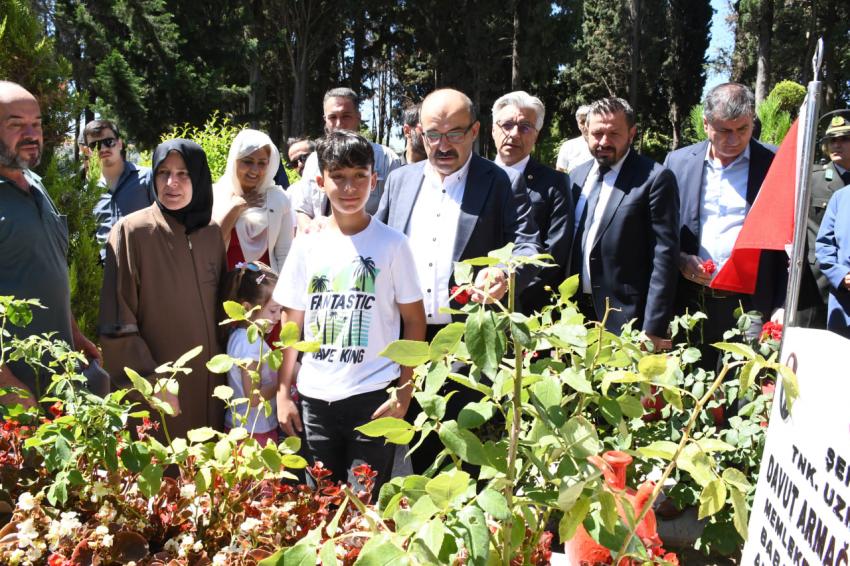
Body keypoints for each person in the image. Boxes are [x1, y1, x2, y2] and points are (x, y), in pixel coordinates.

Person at [375, 88, 540, 474]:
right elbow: (374, 239)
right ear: (418, 133)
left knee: (465, 456)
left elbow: (530, 246)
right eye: (433, 134)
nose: (443, 145)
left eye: (455, 134)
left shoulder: (498, 181)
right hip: (404, 342)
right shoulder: (400, 181)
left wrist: (504, 271)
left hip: (466, 345)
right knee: (412, 450)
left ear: (475, 132)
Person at [275, 131, 426, 492]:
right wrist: (283, 392)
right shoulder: (306, 245)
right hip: (314, 401)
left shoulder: (393, 244)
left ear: (374, 180)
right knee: (318, 504)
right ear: (320, 181)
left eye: (360, 176)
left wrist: (404, 391)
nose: (349, 187)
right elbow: (291, 323)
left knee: (364, 508)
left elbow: (414, 320)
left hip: (373, 400)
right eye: (338, 177)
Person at [99, 138, 226, 438]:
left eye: (183, 174)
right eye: (163, 172)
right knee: (164, 474)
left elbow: (220, 306)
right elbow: (117, 322)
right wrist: (153, 381)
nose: (172, 183)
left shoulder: (211, 233)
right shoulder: (132, 232)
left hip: (214, 391)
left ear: (199, 177)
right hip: (162, 392)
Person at [664, 83, 785, 368]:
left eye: (742, 129)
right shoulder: (678, 163)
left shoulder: (774, 163)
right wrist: (681, 260)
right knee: (691, 389)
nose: (734, 140)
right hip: (691, 301)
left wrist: (781, 303)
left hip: (750, 304)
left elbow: (787, 240)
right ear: (706, 125)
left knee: (745, 398)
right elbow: (663, 232)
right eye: (724, 131)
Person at [0, 81, 100, 406]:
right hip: (15, 392)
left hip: (57, 378)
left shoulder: (35, 183)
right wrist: (7, 386)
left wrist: (74, 333)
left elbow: (46, 269)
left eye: (37, 123)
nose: (31, 133)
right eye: (16, 124)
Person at [568, 97, 679, 349]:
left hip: (626, 321)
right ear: (586, 132)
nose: (604, 141)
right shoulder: (576, 177)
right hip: (575, 319)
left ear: (631, 133)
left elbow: (665, 257)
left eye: (614, 133)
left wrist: (652, 328)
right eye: (597, 133)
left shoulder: (655, 178)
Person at [491, 90, 573, 313]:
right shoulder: (473, 178)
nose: (514, 134)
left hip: (529, 307)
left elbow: (554, 251)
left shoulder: (555, 183)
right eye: (506, 125)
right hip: (476, 301)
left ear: (536, 135)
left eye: (525, 127)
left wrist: (509, 289)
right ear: (492, 130)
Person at [292, 87, 402, 232]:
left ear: (358, 117)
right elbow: (303, 209)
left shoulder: (386, 159)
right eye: (332, 117)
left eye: (346, 116)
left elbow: (398, 211)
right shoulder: (313, 161)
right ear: (325, 120)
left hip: (371, 248)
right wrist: (310, 230)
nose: (339, 124)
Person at [212, 129, 293, 273]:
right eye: (247, 161)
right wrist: (237, 207)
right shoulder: (216, 195)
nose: (255, 170)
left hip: (265, 290)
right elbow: (211, 244)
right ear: (234, 161)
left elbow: (284, 253)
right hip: (223, 287)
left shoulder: (278, 199)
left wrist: (280, 293)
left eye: (262, 163)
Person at [219, 261, 281, 444]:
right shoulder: (251, 345)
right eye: (272, 310)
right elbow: (253, 397)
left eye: (280, 310)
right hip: (254, 434)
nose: (278, 316)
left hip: (239, 428)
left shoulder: (237, 335)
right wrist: (283, 384)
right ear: (247, 308)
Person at [798, 114, 850, 328]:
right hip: (815, 283)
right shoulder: (812, 178)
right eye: (832, 140)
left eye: (844, 139)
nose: (836, 145)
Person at [85, 119, 153, 263]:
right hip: (107, 275)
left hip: (146, 268)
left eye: (108, 141)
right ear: (89, 151)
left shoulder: (147, 178)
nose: (102, 148)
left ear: (120, 143)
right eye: (95, 145)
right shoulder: (88, 192)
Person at [556, 105, 592, 173]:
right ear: (578, 124)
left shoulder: (603, 146)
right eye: (582, 122)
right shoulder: (568, 146)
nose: (586, 125)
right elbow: (559, 172)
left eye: (589, 121)